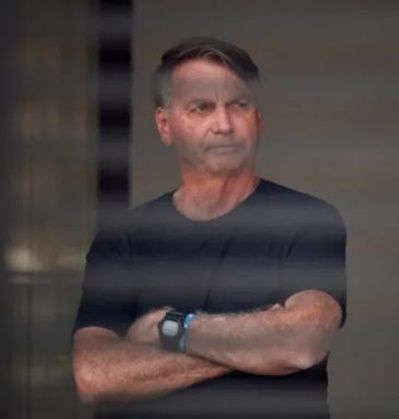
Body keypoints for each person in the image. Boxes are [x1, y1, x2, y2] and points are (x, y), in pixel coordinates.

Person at [72, 37, 347, 419]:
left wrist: (171, 329)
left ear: (257, 118)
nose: (224, 124)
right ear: (165, 125)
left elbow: (302, 342)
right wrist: (261, 342)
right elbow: (95, 376)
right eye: (201, 107)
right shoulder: (122, 239)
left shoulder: (306, 220)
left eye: (239, 105)